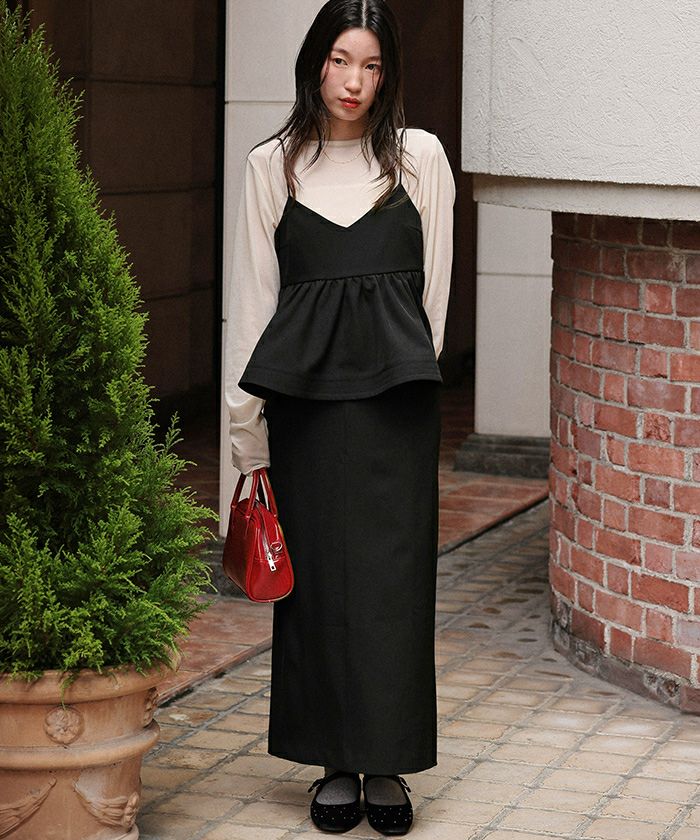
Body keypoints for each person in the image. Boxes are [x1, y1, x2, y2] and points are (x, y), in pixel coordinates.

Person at [224, 0, 455, 834]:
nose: (354, 81)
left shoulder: (420, 159)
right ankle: (332, 761)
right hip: (305, 413)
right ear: (315, 62)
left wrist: (412, 378)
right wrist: (246, 436)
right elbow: (253, 307)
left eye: (372, 65)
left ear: (387, 75)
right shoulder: (271, 165)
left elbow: (433, 301)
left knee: (394, 586)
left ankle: (387, 761)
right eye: (340, 60)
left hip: (396, 410)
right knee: (318, 585)